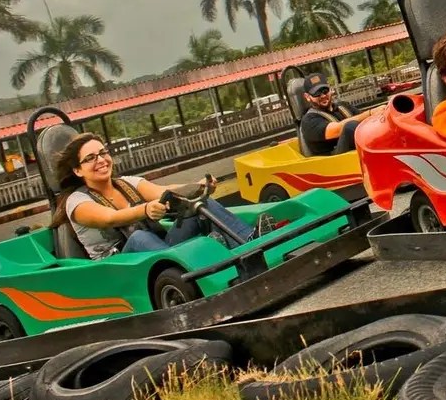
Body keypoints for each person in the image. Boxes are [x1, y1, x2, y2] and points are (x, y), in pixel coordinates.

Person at [52, 132, 274, 260]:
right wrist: (146, 209)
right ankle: (199, 262)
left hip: (159, 252)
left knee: (198, 204)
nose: (101, 160)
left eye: (103, 153)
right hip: (119, 267)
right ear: (77, 170)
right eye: (90, 158)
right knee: (139, 237)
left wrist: (197, 187)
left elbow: (165, 191)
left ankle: (251, 241)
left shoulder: (127, 183)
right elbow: (110, 218)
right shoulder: (76, 202)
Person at [298, 72, 379, 155]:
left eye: (325, 91)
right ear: (307, 97)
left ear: (330, 89)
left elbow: (365, 121)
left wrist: (380, 113)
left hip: (358, 151)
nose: (323, 96)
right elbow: (336, 130)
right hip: (333, 160)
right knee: (350, 127)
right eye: (317, 93)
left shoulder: (344, 106)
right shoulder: (308, 120)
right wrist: (370, 113)